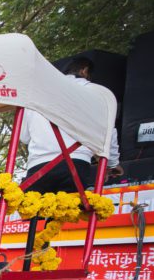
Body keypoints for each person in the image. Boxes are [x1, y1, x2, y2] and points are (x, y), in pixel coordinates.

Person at [21, 57, 123, 194]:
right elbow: (109, 132)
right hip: (75, 164)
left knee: (33, 212)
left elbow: (24, 137)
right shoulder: (99, 93)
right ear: (85, 71)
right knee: (68, 212)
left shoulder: (38, 95)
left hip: (37, 167)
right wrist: (112, 164)